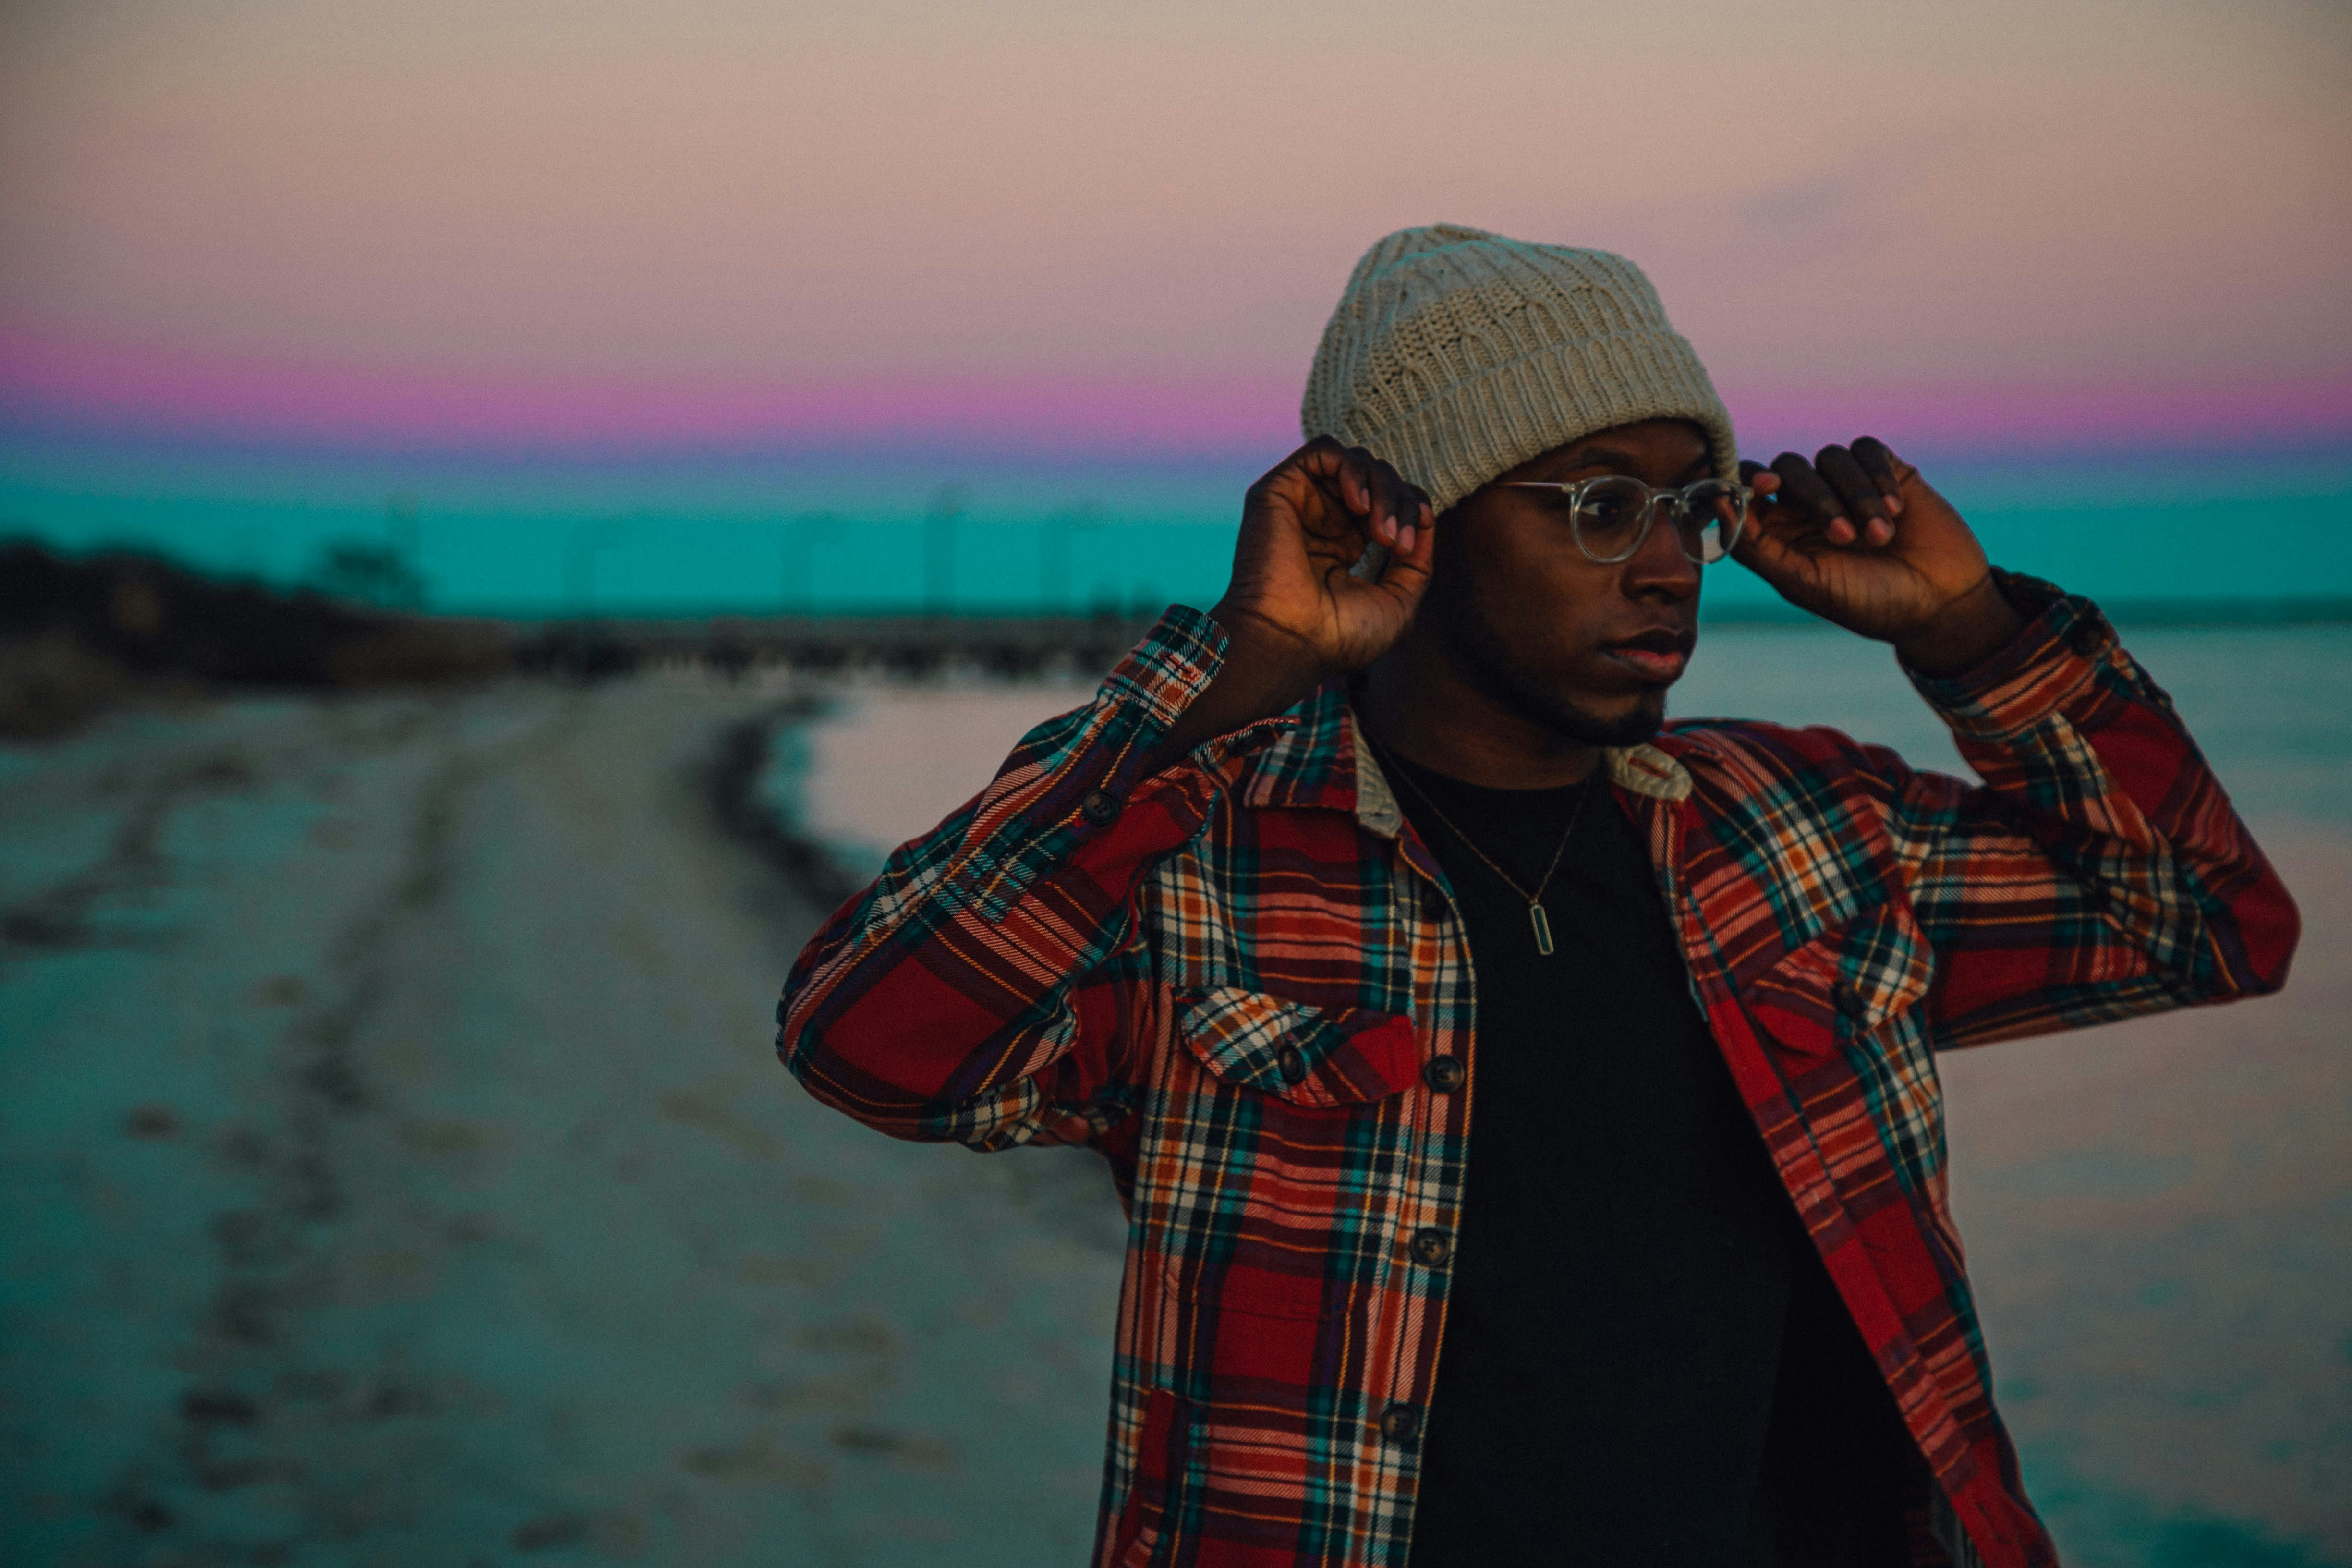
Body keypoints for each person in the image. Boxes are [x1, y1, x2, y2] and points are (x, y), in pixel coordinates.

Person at [775, 226, 2299, 1568]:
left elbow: (2202, 919)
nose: (1665, 566)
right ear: (1408, 529)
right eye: (1594, 506)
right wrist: (1226, 682)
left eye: (1685, 508)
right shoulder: (1211, 867)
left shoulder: (1799, 831)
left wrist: (1968, 634)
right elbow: (868, 1042)